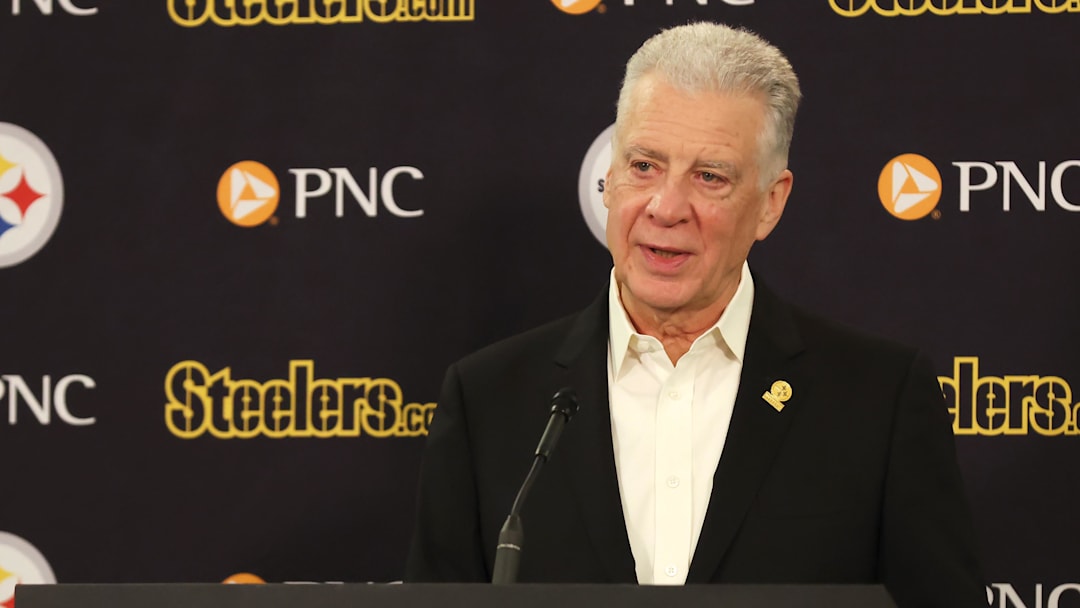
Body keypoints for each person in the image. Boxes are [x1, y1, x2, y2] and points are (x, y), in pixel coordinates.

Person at [404, 22, 985, 608]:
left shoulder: (879, 401)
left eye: (709, 177)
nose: (665, 207)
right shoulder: (489, 401)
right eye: (644, 165)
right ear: (608, 180)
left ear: (770, 203)